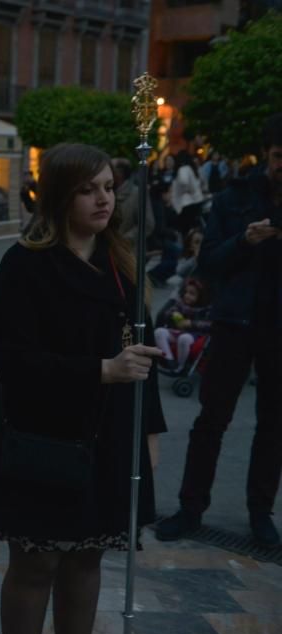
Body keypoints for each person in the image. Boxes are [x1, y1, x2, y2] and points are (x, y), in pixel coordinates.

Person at [0, 143, 166, 634]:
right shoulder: (26, 265)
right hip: (42, 439)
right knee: (36, 563)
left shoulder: (120, 264)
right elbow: (11, 360)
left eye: (108, 187)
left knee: (87, 559)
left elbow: (142, 354)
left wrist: (149, 435)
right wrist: (99, 371)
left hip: (108, 438)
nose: (103, 199)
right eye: (88, 189)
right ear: (60, 195)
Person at [156, 113, 282, 546]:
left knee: (274, 425)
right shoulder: (235, 198)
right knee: (211, 419)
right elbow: (207, 261)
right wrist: (244, 241)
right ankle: (191, 508)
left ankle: (260, 512)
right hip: (234, 323)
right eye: (280, 156)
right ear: (267, 154)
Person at [154, 278, 212, 373]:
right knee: (159, 332)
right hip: (177, 331)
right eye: (186, 292)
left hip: (194, 335)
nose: (187, 296)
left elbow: (209, 324)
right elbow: (168, 312)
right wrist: (173, 314)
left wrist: (191, 323)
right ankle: (170, 360)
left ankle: (181, 366)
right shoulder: (181, 303)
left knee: (184, 338)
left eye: (191, 294)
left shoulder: (205, 309)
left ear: (200, 296)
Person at [112, 157, 155, 242]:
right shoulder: (108, 193)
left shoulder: (137, 193)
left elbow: (147, 225)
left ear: (120, 173)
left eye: (111, 169)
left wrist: (124, 240)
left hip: (128, 251)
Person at [170, 149, 207, 235]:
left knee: (186, 231)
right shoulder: (192, 169)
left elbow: (184, 182)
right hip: (196, 201)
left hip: (186, 204)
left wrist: (184, 190)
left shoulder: (183, 169)